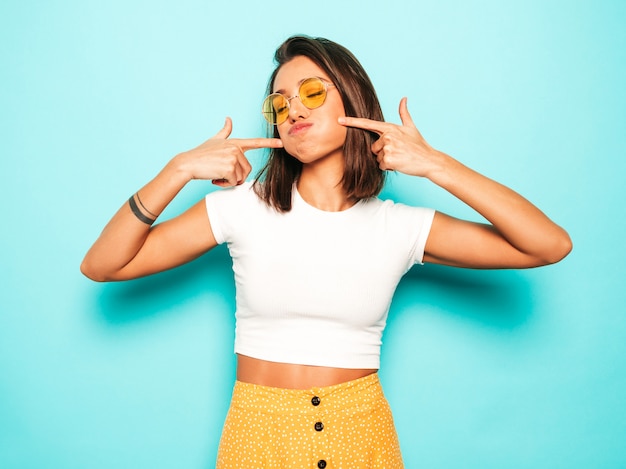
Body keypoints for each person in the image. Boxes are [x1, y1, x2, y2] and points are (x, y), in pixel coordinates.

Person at [81, 35, 572, 469]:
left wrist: (435, 165)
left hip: (362, 436)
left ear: (352, 99)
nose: (293, 110)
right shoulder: (240, 209)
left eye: (313, 92)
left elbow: (549, 244)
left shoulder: (397, 227)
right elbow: (102, 265)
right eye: (279, 104)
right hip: (258, 437)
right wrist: (177, 170)